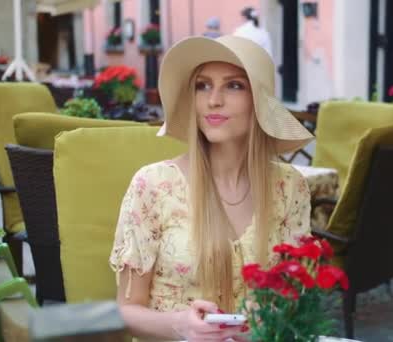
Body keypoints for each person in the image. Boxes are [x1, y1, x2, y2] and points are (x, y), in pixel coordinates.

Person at [109, 35, 314, 342]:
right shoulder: (153, 186)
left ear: (259, 100)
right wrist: (180, 326)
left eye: (234, 85)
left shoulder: (290, 187)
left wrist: (267, 325)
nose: (213, 99)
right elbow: (126, 311)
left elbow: (297, 299)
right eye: (202, 85)